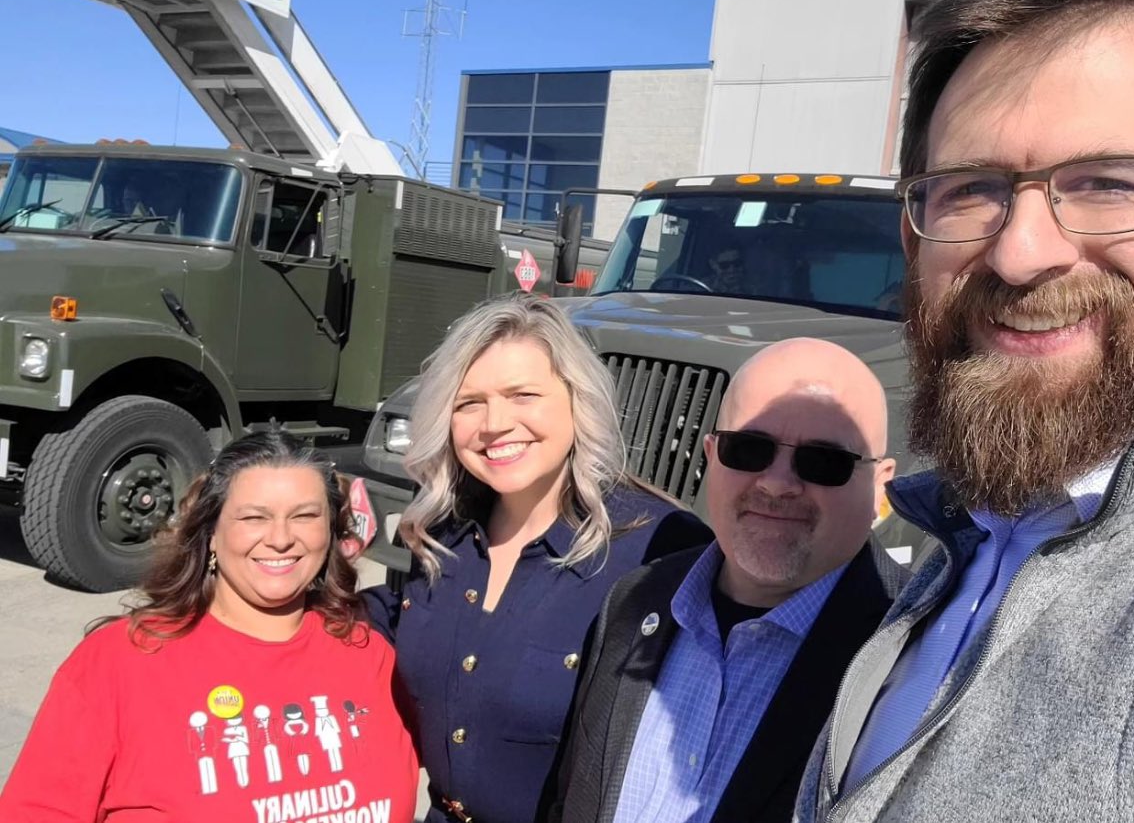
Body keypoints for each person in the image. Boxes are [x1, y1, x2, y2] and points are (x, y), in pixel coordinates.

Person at [793, 0, 1134, 821]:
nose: (1017, 254)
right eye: (971, 189)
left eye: (1108, 182)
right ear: (912, 232)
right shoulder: (969, 523)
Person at [361, 293, 714, 823]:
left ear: (578, 400)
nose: (494, 423)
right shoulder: (439, 536)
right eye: (468, 402)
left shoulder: (663, 547)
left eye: (522, 395)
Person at [548, 338, 909, 823]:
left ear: (879, 485)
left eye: (824, 461)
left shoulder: (912, 653)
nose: (777, 483)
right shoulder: (635, 602)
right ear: (712, 454)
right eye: (749, 449)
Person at [0, 431, 419, 822]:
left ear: (330, 533)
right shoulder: (118, 664)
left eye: (305, 516)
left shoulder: (371, 653)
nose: (280, 538)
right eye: (254, 517)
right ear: (211, 534)